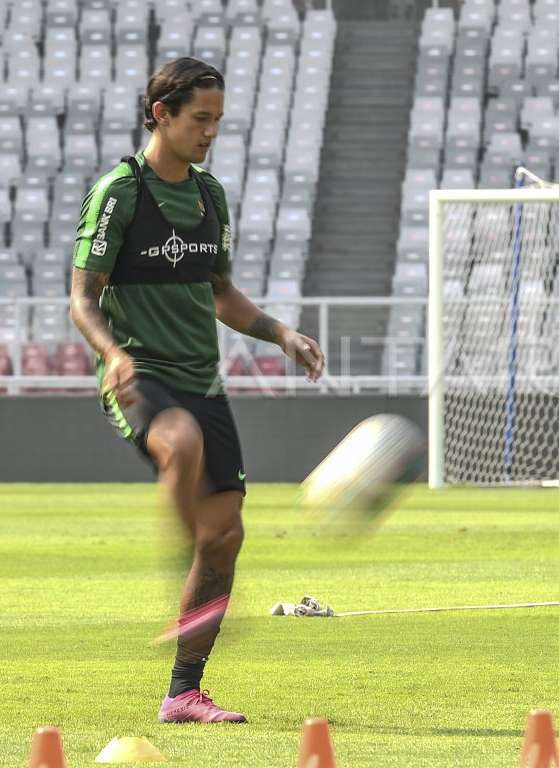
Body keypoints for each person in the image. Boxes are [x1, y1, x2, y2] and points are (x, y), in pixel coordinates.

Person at [70, 57, 325, 723]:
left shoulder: (211, 196)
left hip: (201, 380)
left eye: (217, 120)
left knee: (228, 538)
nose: (211, 131)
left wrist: (280, 333)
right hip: (140, 375)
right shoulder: (119, 194)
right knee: (176, 442)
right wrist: (113, 353)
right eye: (199, 119)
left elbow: (220, 294)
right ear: (161, 114)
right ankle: (179, 578)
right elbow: (81, 298)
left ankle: (184, 692)